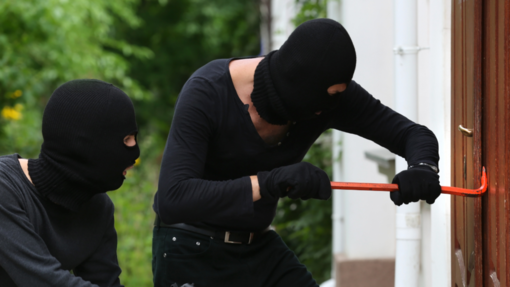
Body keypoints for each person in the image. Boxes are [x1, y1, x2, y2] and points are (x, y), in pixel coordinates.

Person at [152, 18, 441, 287]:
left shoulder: (327, 96)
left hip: (257, 246)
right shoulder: (207, 92)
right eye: (326, 99)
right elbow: (173, 198)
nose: (327, 108)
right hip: (190, 245)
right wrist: (269, 182)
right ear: (298, 84)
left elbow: (412, 134)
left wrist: (423, 167)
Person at [0, 79, 140, 287]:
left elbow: (105, 282)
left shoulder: (98, 207)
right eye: (126, 139)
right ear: (84, 143)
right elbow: (43, 281)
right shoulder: (5, 188)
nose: (135, 152)